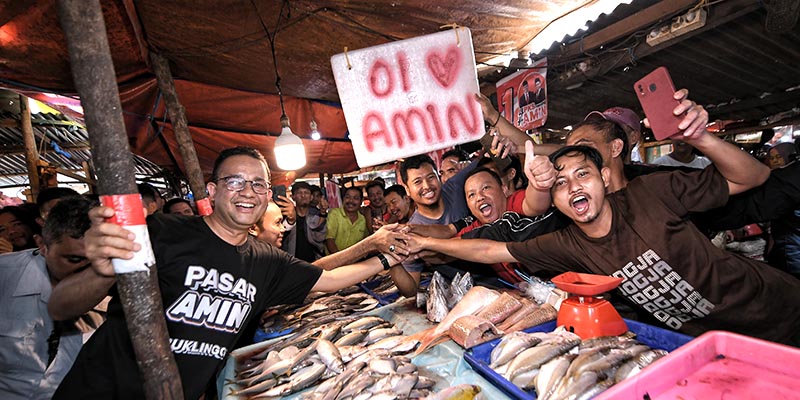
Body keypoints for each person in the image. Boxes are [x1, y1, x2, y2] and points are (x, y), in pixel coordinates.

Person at [49, 147, 405, 399]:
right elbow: (60, 307)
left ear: (268, 195)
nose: (247, 192)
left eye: (258, 185)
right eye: (235, 182)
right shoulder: (162, 231)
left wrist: (387, 258)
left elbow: (325, 280)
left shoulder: (266, 259)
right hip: (98, 388)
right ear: (213, 190)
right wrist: (104, 271)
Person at [407, 143, 800, 345]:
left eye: (584, 174)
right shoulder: (565, 242)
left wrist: (697, 136)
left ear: (606, 179)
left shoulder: (650, 193)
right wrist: (422, 241)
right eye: (561, 183)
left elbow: (753, 175)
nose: (574, 186)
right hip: (716, 342)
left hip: (782, 311)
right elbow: (488, 250)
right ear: (556, 200)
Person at [0, 196, 98, 399]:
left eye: (98, 261)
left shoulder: (119, 284)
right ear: (42, 245)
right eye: (74, 259)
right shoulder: (4, 275)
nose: (88, 271)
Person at [764, 142, 800, 277]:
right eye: (772, 158)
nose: (775, 161)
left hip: (792, 251)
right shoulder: (778, 179)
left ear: (790, 157)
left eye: (779, 157)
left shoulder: (787, 183)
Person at [282, 181, 326, 262]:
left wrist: (323, 213)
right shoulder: (286, 215)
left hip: (314, 262)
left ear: (311, 197)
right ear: (293, 197)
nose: (303, 196)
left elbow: (321, 238)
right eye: (299, 193)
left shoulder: (317, 215)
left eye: (306, 193)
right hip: (291, 262)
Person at [326, 186, 369, 254]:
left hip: (355, 262)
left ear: (361, 201)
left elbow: (365, 241)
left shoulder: (362, 220)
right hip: (334, 260)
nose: (351, 201)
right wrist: (340, 259)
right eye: (348, 197)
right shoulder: (334, 214)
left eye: (356, 198)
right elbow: (329, 239)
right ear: (343, 199)